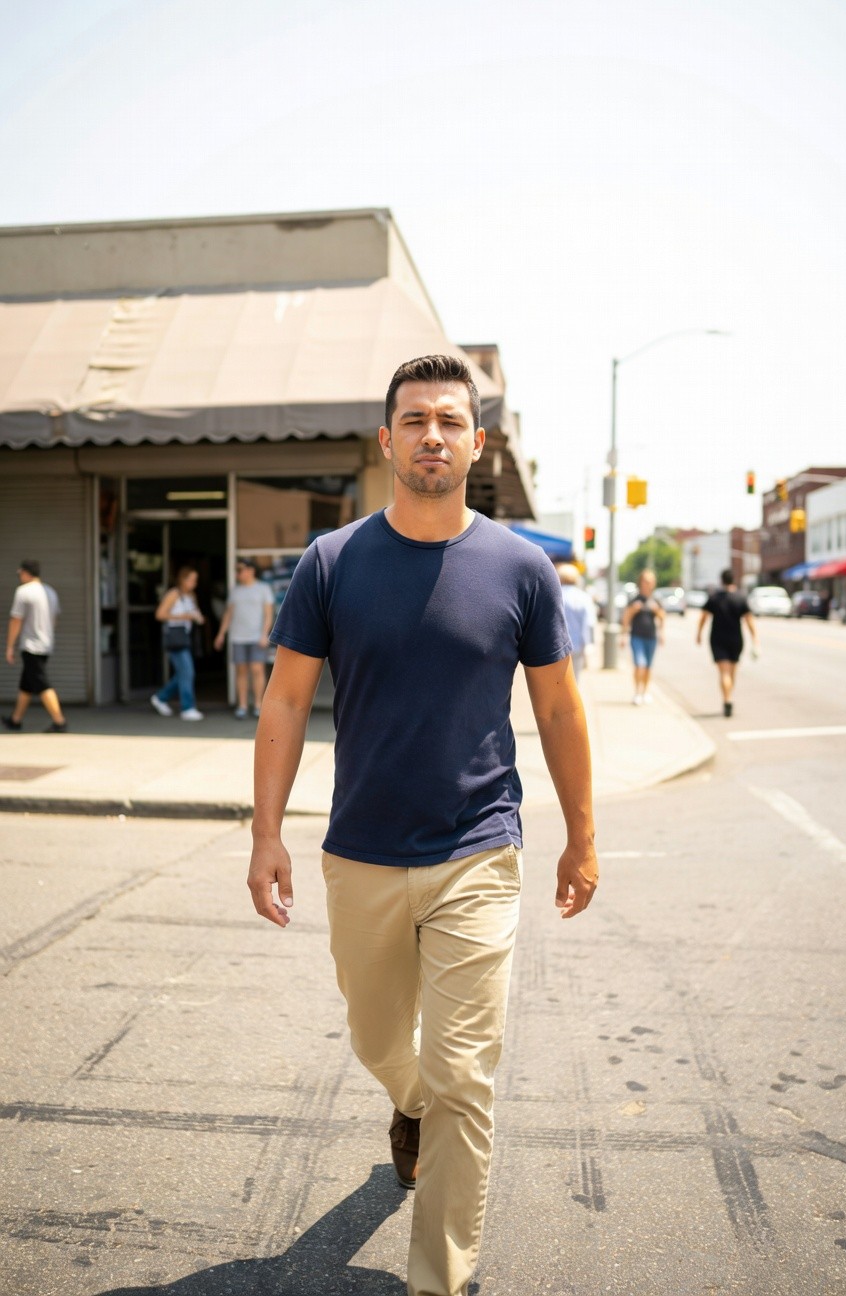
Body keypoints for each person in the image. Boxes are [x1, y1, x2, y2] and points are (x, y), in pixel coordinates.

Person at [249, 354, 598, 1296]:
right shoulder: (332, 563)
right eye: (415, 421)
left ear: (475, 443)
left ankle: (438, 1279)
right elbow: (284, 701)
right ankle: (406, 1103)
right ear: (388, 440)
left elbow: (561, 710)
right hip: (359, 849)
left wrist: (582, 835)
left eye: (451, 421)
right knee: (377, 1040)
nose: (433, 436)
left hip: (480, 848)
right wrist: (265, 833)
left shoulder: (522, 568)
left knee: (464, 1076)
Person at [3, 560, 67, 733]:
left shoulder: (23, 592)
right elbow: (54, 619)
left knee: (40, 682)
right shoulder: (50, 591)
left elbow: (16, 620)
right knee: (27, 683)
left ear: (25, 573)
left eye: (20, 573)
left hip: (31, 645)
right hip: (46, 643)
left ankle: (59, 721)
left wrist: (10, 646)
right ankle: (15, 720)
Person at [214, 557, 275, 718]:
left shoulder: (263, 589)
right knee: (241, 671)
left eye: (240, 570)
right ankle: (242, 705)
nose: (237, 574)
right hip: (237, 637)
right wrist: (221, 634)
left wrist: (264, 634)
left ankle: (258, 705)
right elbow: (228, 614)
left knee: (257, 669)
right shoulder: (235, 591)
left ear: (250, 570)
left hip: (257, 637)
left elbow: (269, 614)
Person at [696, 568, 758, 717]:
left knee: (724, 673)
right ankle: (729, 697)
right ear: (733, 580)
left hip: (718, 639)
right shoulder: (740, 598)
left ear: (721, 581)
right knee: (732, 672)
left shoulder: (714, 598)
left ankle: (727, 699)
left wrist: (699, 633)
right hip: (736, 639)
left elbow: (703, 617)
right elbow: (749, 620)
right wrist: (755, 639)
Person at [150, 566, 205, 721]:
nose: (194, 583)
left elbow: (195, 614)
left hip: (186, 637)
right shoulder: (174, 594)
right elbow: (160, 614)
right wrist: (183, 616)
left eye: (195, 580)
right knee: (187, 672)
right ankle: (187, 707)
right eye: (191, 580)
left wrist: (196, 618)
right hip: (175, 638)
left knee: (183, 673)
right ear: (182, 579)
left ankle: (160, 697)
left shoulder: (191, 596)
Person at [620, 568, 664, 705]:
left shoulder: (655, 600)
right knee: (640, 664)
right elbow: (626, 618)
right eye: (645, 581)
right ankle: (637, 693)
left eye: (650, 581)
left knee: (648, 667)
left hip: (651, 637)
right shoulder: (635, 599)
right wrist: (623, 635)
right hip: (636, 636)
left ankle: (645, 692)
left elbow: (663, 617)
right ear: (640, 582)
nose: (647, 584)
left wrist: (657, 613)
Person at [556, 561, 596, 682]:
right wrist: (588, 644)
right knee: (575, 680)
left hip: (556, 646)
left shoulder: (554, 595)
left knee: (558, 680)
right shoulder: (584, 597)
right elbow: (589, 623)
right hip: (577, 644)